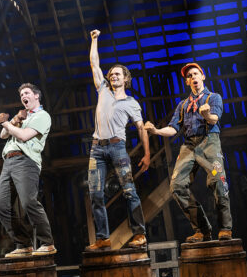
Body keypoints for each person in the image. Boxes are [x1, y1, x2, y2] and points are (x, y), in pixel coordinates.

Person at [144, 62, 232, 242]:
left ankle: (225, 228)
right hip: (189, 146)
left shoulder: (213, 98)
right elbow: (173, 128)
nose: (193, 78)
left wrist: (206, 115)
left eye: (195, 74)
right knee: (176, 186)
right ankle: (202, 229)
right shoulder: (183, 105)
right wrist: (156, 131)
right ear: (187, 82)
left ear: (203, 76)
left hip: (209, 142)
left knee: (218, 181)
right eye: (189, 76)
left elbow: (214, 119)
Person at [86, 29, 151, 251]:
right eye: (111, 73)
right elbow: (95, 64)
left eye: (117, 74)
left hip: (117, 147)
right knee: (95, 194)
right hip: (97, 149)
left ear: (125, 79)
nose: (113, 76)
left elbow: (142, 129)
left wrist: (147, 154)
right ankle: (103, 238)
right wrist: (94, 40)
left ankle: (139, 233)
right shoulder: (102, 90)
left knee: (129, 190)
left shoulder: (132, 103)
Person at [0, 83, 56, 257]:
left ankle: (47, 242)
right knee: (1, 207)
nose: (23, 97)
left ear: (36, 96)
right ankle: (23, 244)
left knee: (28, 202)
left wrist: (7, 123)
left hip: (26, 161)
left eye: (27, 93)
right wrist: (13, 121)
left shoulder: (42, 116)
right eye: (21, 94)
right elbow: (3, 136)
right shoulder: (23, 116)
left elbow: (23, 135)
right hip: (8, 162)